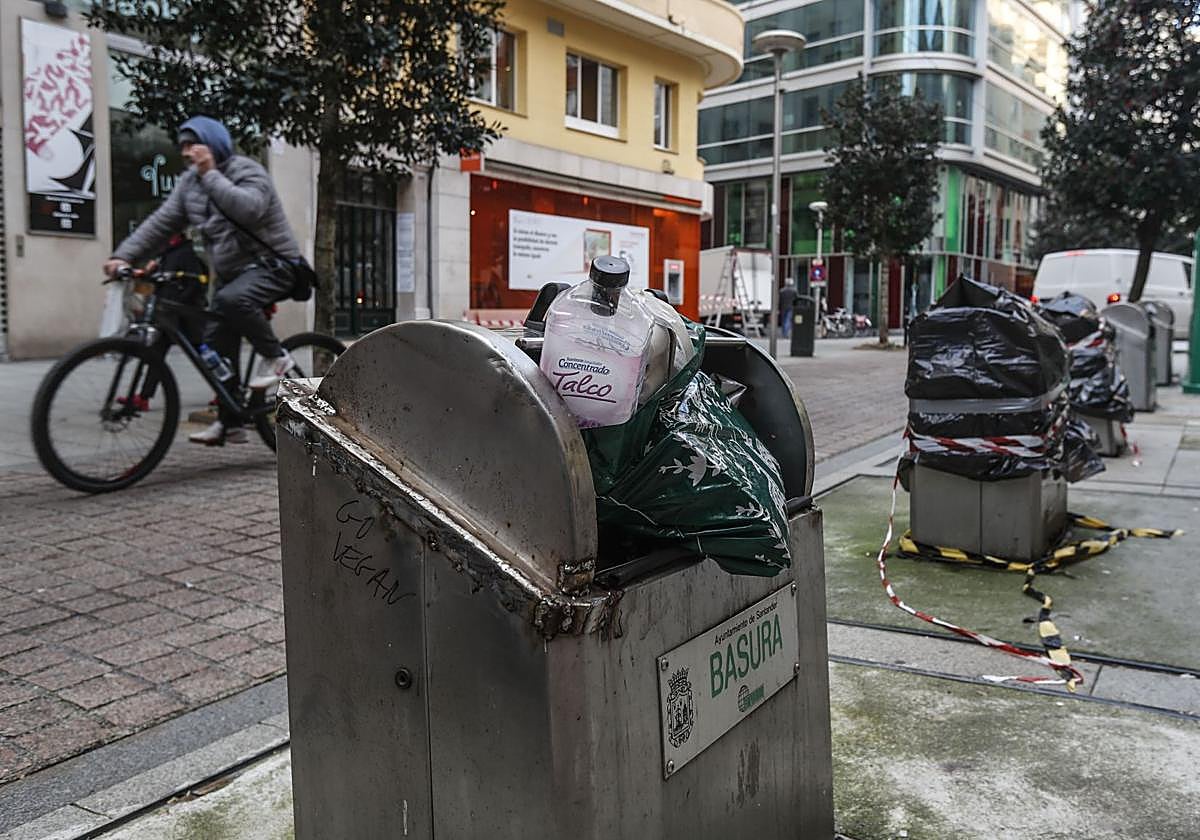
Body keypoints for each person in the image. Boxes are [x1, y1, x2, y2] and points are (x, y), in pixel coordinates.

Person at [104, 116, 300, 446]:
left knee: (230, 300)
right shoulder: (188, 185)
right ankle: (231, 423)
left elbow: (249, 210)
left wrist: (210, 173)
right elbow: (160, 224)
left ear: (215, 144)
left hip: (275, 265)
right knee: (214, 348)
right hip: (230, 277)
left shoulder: (247, 170)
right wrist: (123, 255)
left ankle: (277, 358)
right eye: (183, 146)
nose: (187, 152)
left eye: (194, 144)